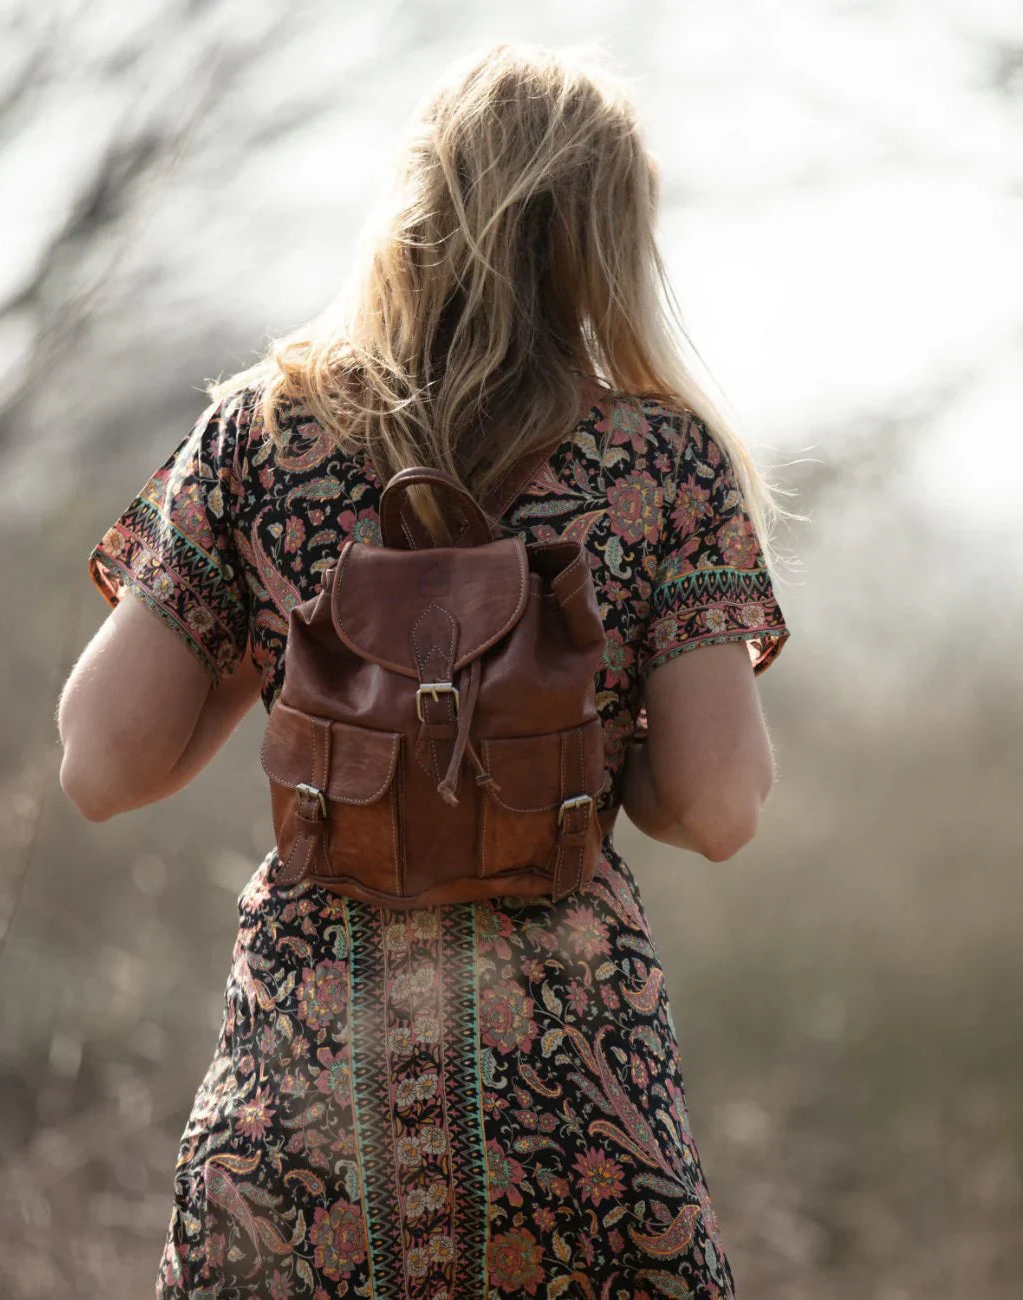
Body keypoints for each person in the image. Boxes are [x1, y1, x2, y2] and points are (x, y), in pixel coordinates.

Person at [57, 41, 792, 1300]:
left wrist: (299, 655)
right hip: (571, 1099)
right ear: (607, 238)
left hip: (303, 1100)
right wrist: (586, 743)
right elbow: (719, 808)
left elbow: (100, 766)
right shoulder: (659, 463)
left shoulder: (263, 433)